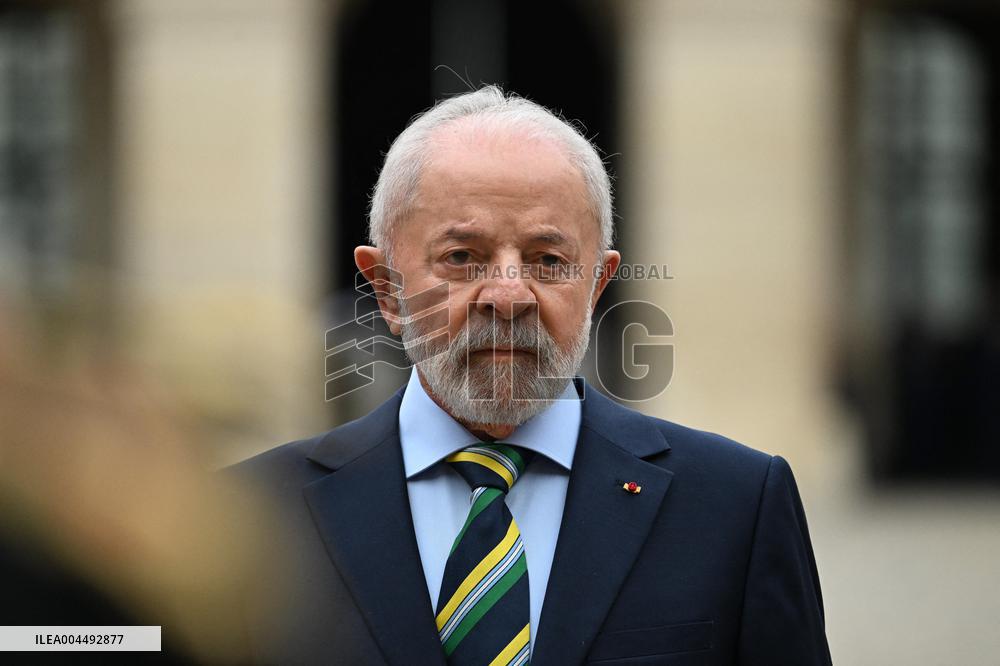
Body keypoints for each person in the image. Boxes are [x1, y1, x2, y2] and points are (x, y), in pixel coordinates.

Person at [230, 86, 832, 665]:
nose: (510, 296)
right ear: (386, 288)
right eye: (462, 257)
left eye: (550, 261)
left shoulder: (736, 505)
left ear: (597, 285)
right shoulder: (242, 517)